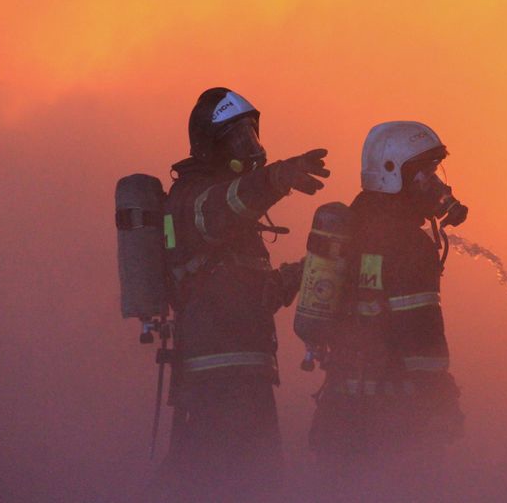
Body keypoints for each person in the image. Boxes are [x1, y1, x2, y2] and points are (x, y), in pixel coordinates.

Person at [159, 87, 329, 501]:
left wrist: (316, 267)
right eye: (236, 139)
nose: (249, 147)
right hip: (213, 391)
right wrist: (274, 179)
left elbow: (258, 295)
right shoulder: (190, 199)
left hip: (249, 385)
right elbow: (220, 210)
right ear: (210, 147)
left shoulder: (238, 222)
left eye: (251, 135)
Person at [307, 121, 469, 500]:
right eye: (424, 173)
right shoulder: (409, 243)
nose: (435, 185)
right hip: (396, 421)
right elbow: (423, 337)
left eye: (435, 171)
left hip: (340, 416)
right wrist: (441, 403)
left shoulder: (352, 224)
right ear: (392, 173)